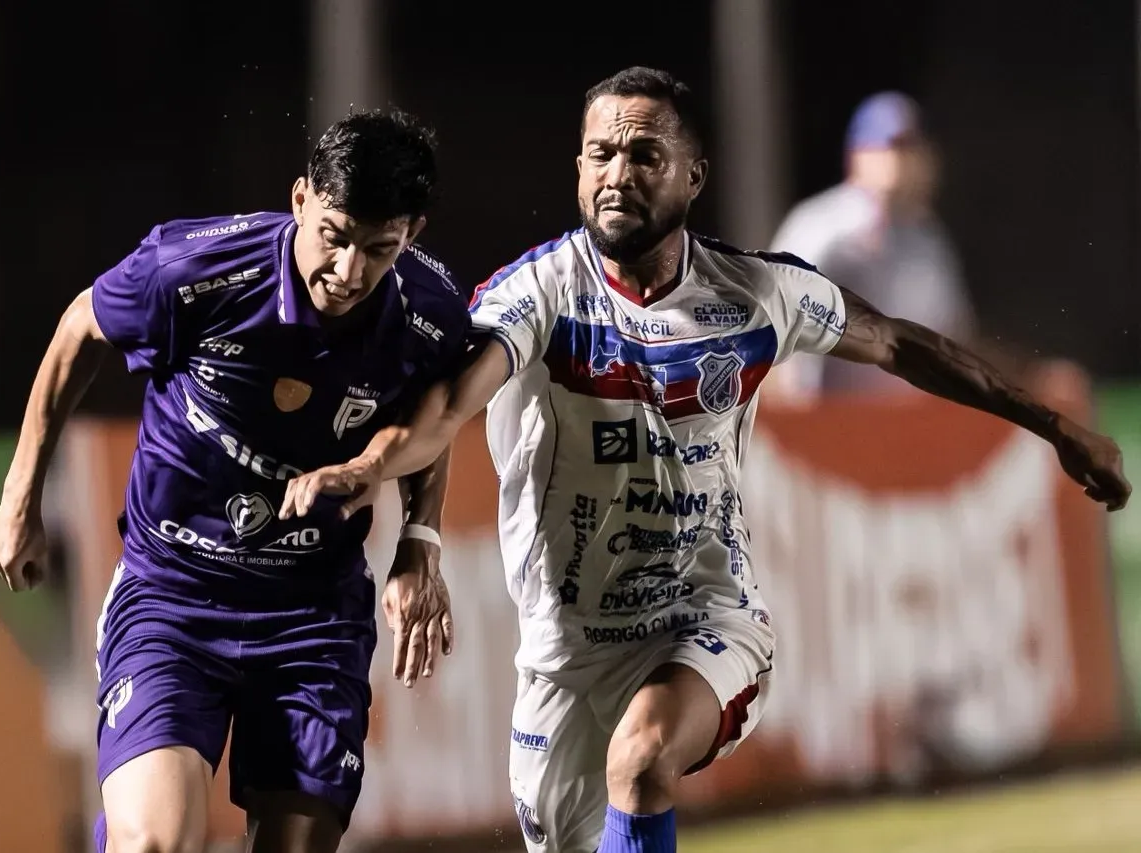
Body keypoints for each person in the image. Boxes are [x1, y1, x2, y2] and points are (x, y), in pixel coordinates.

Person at [280, 67, 1131, 853]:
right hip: (563, 652)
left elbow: (901, 342)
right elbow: (448, 405)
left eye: (646, 154)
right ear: (578, 170)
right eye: (601, 153)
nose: (618, 173)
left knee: (643, 759)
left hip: (707, 621)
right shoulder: (533, 294)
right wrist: (376, 471)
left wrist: (1053, 424)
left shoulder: (755, 294)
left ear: (693, 175)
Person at [0, 109, 468, 853]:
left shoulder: (429, 314)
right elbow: (81, 326)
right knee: (153, 844)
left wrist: (419, 540)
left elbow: (436, 420)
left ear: (413, 233)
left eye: (379, 249)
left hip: (312, 614)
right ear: (301, 199)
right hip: (171, 597)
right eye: (333, 236)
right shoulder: (196, 269)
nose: (348, 272)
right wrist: (20, 499)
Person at [766, 91, 975, 402]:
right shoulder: (821, 227)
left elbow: (956, 339)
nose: (906, 159)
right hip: (829, 428)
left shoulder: (928, 239)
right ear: (858, 155)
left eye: (913, 146)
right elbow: (771, 326)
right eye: (894, 145)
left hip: (909, 428)